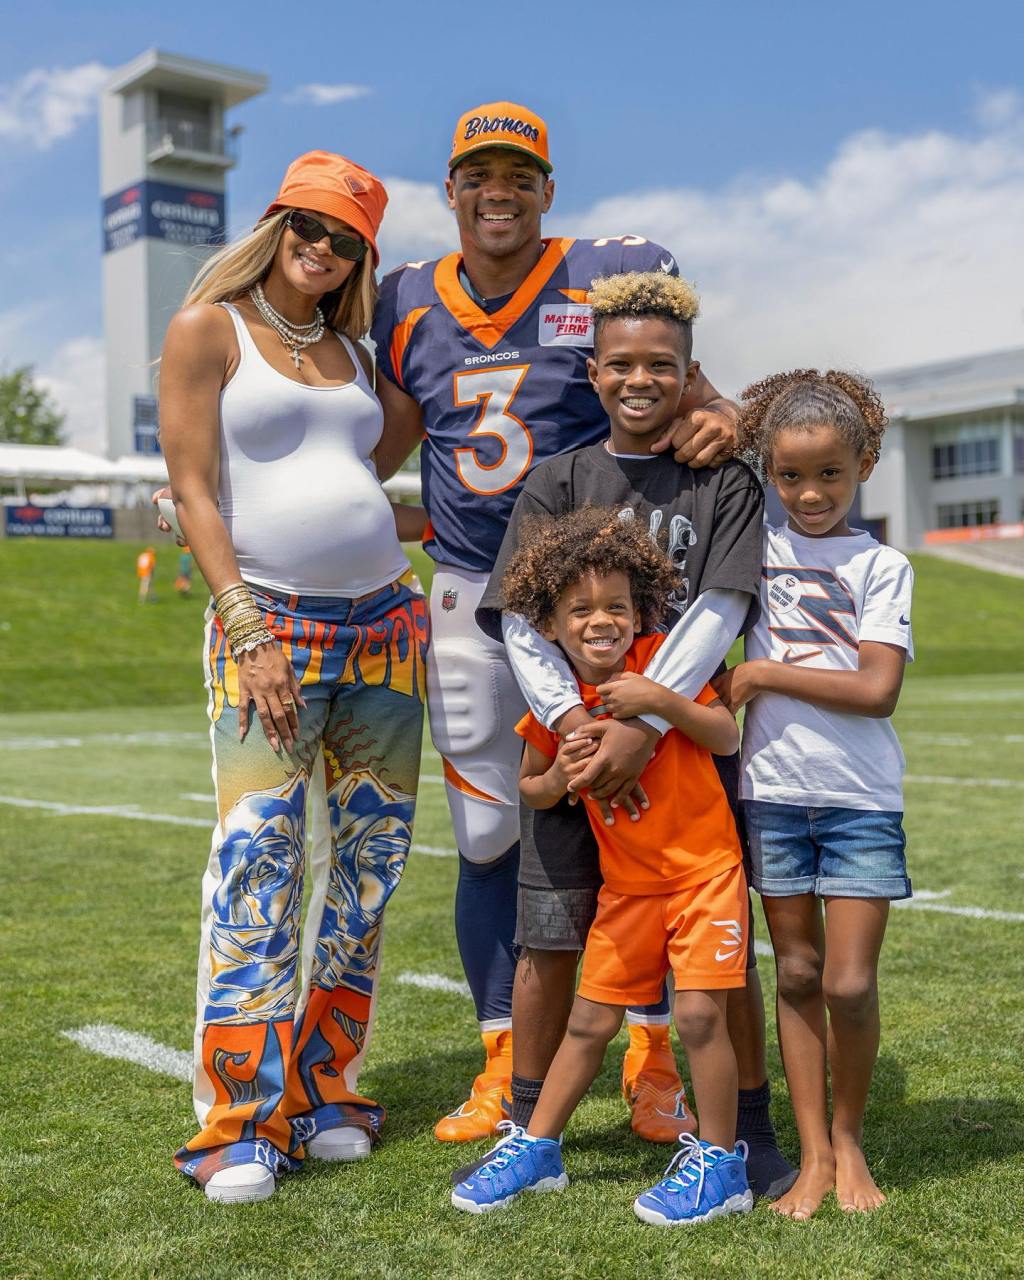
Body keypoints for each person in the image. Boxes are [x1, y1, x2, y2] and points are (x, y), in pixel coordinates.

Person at [369, 100, 746, 1146]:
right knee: (491, 833)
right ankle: (504, 1059)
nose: (500, 190)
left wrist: (725, 416)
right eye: (479, 173)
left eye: (520, 174)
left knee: (657, 828)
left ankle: (653, 1054)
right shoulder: (405, 298)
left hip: (606, 600)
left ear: (548, 188)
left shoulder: (602, 276)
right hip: (464, 590)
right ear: (450, 188)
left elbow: (695, 396)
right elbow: (402, 438)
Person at [476, 271, 795, 1198]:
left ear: (691, 372)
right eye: (622, 364)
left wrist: (645, 721)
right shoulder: (558, 479)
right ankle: (528, 1127)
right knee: (551, 939)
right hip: (574, 747)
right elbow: (522, 620)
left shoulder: (721, 480)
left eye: (662, 364)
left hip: (675, 757)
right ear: (594, 370)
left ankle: (750, 1136)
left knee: (717, 963)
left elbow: (720, 607)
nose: (641, 379)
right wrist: (576, 723)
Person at [159, 151, 429, 1204]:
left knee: (369, 867)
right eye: (307, 228)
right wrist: (243, 622)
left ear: (363, 256)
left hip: (386, 629)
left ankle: (324, 1089)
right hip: (267, 627)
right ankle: (237, 1122)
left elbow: (367, 470)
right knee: (257, 864)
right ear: (275, 225)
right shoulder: (207, 328)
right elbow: (190, 487)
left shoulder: (360, 355)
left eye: (345, 240)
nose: (321, 250)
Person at [452, 509, 753, 1225]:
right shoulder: (553, 704)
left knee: (700, 1014)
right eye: (579, 609)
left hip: (705, 876)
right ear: (549, 627)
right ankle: (536, 1146)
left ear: (639, 609)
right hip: (627, 892)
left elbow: (724, 732)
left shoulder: (660, 663)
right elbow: (531, 784)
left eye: (615, 606)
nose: (600, 621)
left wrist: (658, 703)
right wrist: (558, 780)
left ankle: (722, 1164)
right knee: (588, 1024)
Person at [712, 369, 913, 1218]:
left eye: (830, 473)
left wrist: (761, 671)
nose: (810, 492)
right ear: (768, 472)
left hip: (861, 798)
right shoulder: (752, 551)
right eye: (790, 476)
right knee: (793, 971)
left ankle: (852, 1134)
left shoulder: (884, 565)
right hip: (773, 794)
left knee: (848, 984)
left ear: (863, 464)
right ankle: (816, 1156)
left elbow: (876, 690)